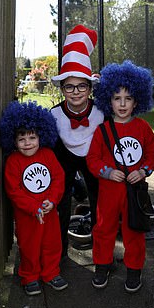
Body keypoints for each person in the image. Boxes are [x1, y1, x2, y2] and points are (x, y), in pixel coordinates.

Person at [86, 60, 154, 293]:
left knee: (134, 231)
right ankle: (102, 265)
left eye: (127, 99)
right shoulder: (102, 131)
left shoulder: (143, 128)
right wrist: (107, 172)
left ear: (136, 101)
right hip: (109, 191)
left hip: (133, 193)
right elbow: (92, 160)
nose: (122, 104)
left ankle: (134, 269)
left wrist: (143, 171)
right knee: (103, 228)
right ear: (108, 100)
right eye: (117, 98)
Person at [0, 101, 68, 296]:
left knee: (52, 243)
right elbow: (14, 190)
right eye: (22, 139)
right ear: (13, 141)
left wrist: (52, 201)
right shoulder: (13, 161)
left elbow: (58, 179)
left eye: (32, 137)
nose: (28, 143)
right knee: (29, 246)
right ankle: (29, 276)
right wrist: (33, 207)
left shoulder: (48, 155)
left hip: (49, 211)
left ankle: (51, 273)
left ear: (41, 136)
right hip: (27, 216)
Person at [50, 24, 104, 257]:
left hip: (94, 156)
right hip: (64, 157)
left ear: (90, 87)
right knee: (61, 200)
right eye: (69, 86)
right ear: (62, 89)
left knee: (99, 198)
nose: (76, 91)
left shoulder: (101, 113)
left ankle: (101, 250)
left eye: (82, 85)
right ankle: (59, 250)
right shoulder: (54, 115)